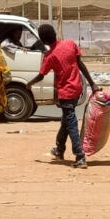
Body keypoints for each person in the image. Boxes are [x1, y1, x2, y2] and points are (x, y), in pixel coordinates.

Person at [27, 24, 99, 169]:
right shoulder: (70, 44)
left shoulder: (50, 56)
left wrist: (29, 84)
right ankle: (59, 149)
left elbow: (41, 75)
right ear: (54, 33)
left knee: (71, 123)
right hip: (77, 89)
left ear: (43, 41)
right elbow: (81, 64)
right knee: (66, 121)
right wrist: (92, 84)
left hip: (65, 93)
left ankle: (80, 156)